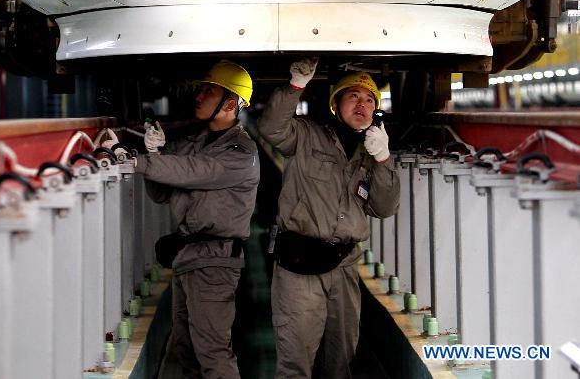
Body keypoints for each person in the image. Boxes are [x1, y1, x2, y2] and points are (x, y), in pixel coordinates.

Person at [258, 58, 400, 379]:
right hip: (299, 266)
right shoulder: (307, 136)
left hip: (344, 267)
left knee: (340, 363)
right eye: (353, 97)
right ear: (336, 104)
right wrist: (295, 86)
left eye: (369, 100)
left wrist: (384, 158)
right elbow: (270, 128)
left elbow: (384, 207)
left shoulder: (371, 154)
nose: (362, 104)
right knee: (295, 364)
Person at [135, 60, 259, 379]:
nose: (199, 96)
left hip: (215, 262)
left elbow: (193, 172)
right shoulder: (194, 143)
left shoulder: (241, 151)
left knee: (213, 351)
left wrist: (139, 161)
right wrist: (157, 155)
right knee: (186, 349)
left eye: (208, 90)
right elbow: (162, 193)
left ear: (230, 103)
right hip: (187, 256)